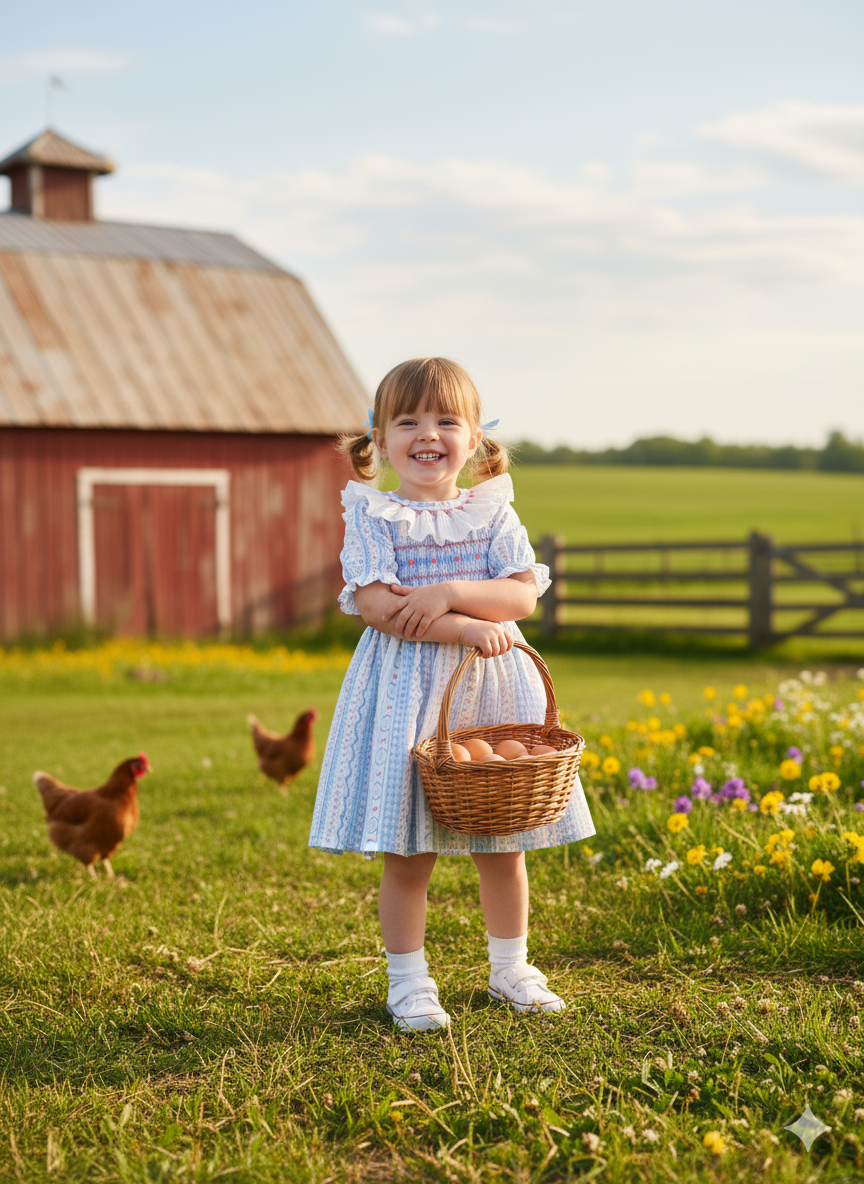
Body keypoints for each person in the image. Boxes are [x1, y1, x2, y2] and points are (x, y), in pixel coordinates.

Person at [308, 358, 595, 1031]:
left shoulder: (491, 510)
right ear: (378, 441)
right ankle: (408, 981)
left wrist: (449, 592)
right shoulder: (374, 513)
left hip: (491, 690)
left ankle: (511, 967)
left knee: (504, 839)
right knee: (408, 851)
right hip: (406, 690)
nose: (427, 433)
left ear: (474, 440)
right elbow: (379, 606)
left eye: (446, 420)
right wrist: (465, 624)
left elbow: (521, 592)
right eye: (407, 421)